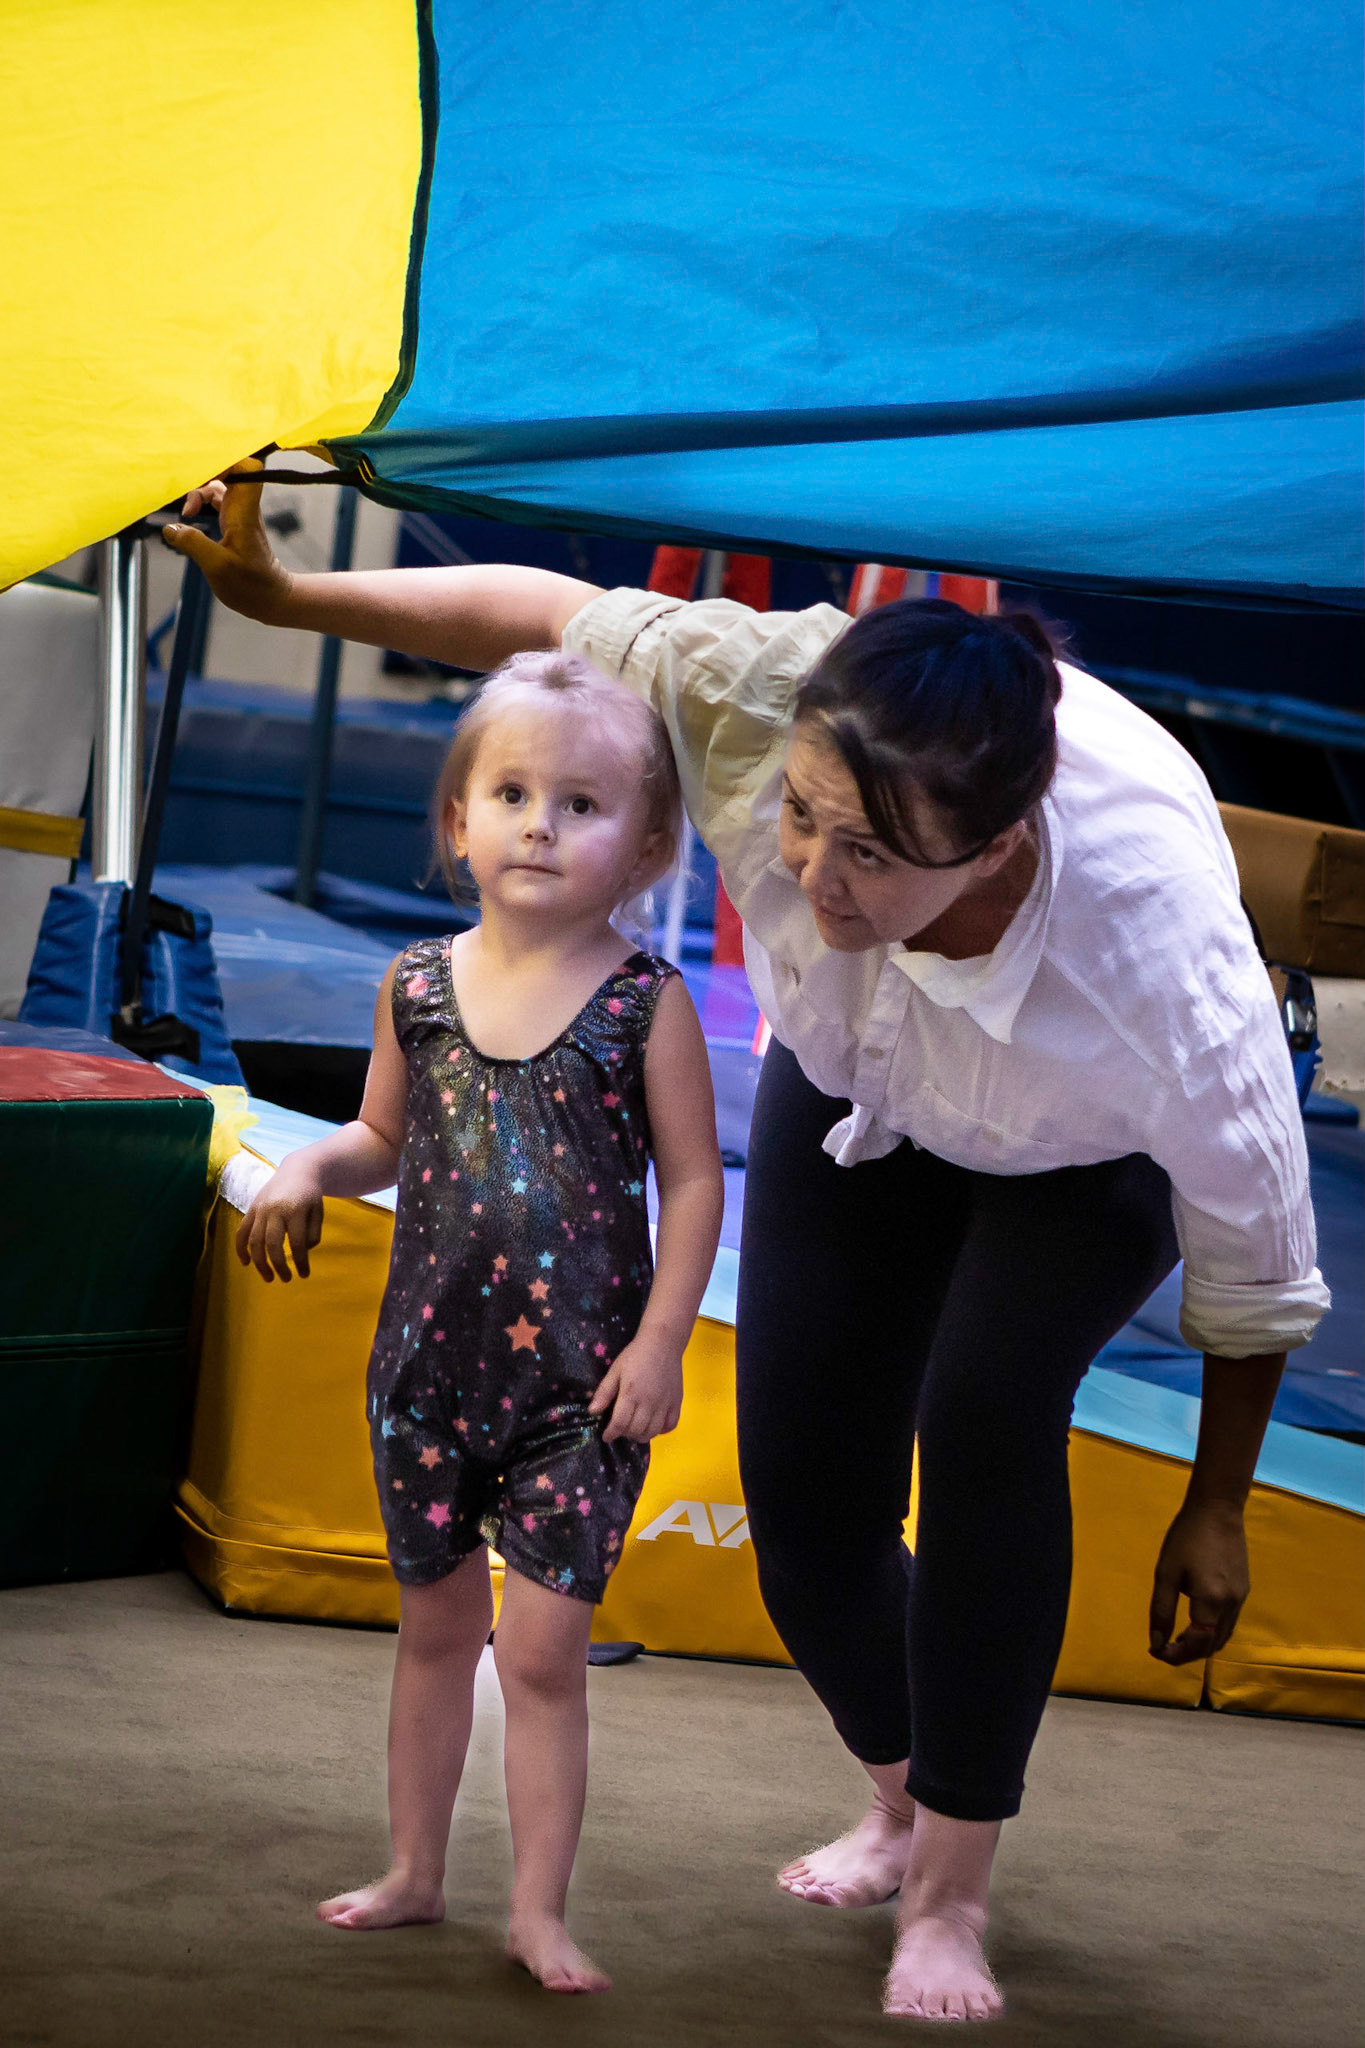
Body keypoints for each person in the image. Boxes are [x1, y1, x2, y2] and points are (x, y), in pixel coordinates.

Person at [168, 471, 1327, 2024]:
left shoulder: (1167, 985)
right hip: (863, 1082)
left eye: (870, 858)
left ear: (991, 853)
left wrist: (1218, 1506)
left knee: (982, 1418)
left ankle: (951, 1894)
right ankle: (902, 1793)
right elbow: (534, 617)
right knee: (801, 1499)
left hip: (1082, 1147)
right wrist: (293, 599)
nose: (811, 878)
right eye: (801, 819)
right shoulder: (761, 689)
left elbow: (1256, 1265)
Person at [228, 635, 724, 1995]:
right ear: (457, 819)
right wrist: (308, 1164)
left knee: (547, 1652)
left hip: (581, 1389)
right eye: (511, 795)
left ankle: (538, 1909)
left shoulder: (644, 1005)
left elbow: (690, 1181)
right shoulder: (415, 985)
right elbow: (382, 1138)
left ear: (644, 845)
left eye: (581, 805)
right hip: (426, 1375)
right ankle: (413, 1868)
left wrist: (663, 1339)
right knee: (435, 1629)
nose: (541, 827)